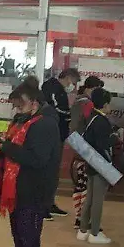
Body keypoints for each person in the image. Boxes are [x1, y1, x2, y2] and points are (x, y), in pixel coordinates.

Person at [0, 81, 62, 247]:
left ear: (34, 103)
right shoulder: (25, 122)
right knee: (20, 240)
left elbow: (37, 159)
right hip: (18, 191)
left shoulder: (45, 125)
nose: (16, 110)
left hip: (34, 193)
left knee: (30, 243)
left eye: (20, 106)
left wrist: (6, 147)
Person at [77, 88, 116, 245]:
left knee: (90, 198)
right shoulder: (102, 121)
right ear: (105, 104)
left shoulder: (91, 117)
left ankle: (83, 230)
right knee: (98, 199)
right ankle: (94, 232)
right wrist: (114, 139)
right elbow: (103, 144)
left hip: (91, 161)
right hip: (101, 163)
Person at [41, 67, 80, 217]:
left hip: (59, 134)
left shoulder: (60, 90)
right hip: (52, 135)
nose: (73, 86)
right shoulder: (51, 88)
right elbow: (55, 109)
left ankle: (49, 203)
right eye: (74, 82)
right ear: (68, 77)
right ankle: (44, 205)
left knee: (53, 172)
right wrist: (69, 114)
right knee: (48, 171)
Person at [69, 76, 104, 230]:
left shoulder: (77, 101)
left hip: (76, 142)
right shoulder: (87, 104)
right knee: (86, 185)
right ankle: (82, 218)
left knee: (79, 183)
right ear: (92, 88)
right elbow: (91, 124)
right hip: (85, 145)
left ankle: (79, 217)